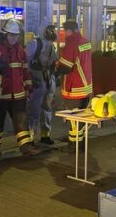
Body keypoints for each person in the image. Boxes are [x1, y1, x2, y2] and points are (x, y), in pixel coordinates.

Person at [0, 19, 38, 156]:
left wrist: (28, 87)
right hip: (0, 93)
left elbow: (25, 70)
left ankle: (25, 147)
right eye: (11, 35)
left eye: (16, 36)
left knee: (21, 121)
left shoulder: (20, 50)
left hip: (18, 93)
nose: (14, 38)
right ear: (4, 35)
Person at [56, 20, 93, 148]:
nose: (64, 33)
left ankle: (74, 145)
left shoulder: (71, 45)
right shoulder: (85, 42)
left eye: (64, 31)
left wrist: (55, 67)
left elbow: (66, 68)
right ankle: (81, 142)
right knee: (83, 117)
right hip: (85, 86)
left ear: (69, 31)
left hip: (74, 87)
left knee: (73, 118)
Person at [26, 24, 58, 145]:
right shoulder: (35, 43)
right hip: (37, 79)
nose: (52, 32)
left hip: (48, 79)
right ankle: (30, 137)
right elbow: (26, 62)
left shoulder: (50, 45)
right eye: (50, 30)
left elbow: (53, 61)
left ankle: (45, 134)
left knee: (47, 108)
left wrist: (55, 76)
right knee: (34, 109)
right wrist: (29, 79)